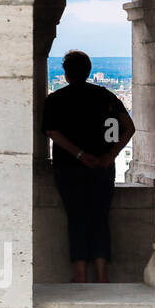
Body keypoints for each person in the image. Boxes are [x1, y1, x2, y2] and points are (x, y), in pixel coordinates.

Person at [42, 50, 135, 284]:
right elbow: (128, 127)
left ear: (65, 73)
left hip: (69, 169)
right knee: (100, 218)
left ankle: (80, 274)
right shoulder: (106, 97)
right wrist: (109, 156)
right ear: (89, 70)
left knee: (76, 218)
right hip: (102, 168)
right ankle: (102, 275)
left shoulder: (56, 99)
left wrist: (80, 154)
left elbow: (52, 132)